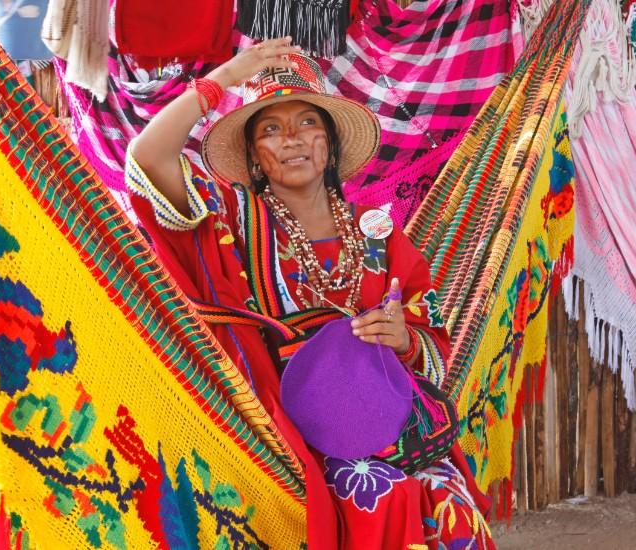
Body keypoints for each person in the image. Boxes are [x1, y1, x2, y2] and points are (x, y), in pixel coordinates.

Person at [126, 37, 494, 550]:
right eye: (271, 129)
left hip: (383, 421)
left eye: (308, 123)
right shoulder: (233, 222)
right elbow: (146, 157)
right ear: (255, 154)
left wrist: (403, 340)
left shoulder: (379, 236)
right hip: (278, 432)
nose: (292, 139)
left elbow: (432, 350)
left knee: (447, 496)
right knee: (379, 492)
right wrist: (224, 80)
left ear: (331, 144)